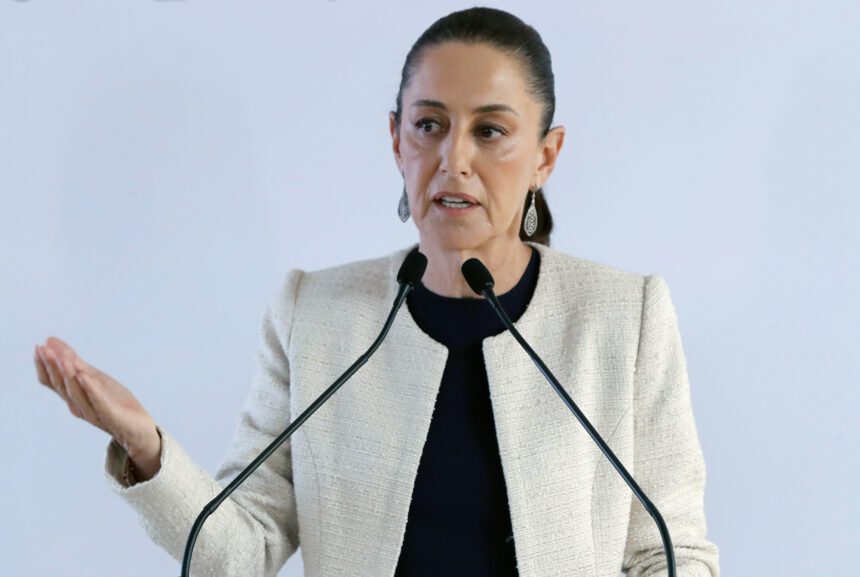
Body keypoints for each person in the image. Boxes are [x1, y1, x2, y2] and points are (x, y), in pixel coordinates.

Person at [33, 7, 720, 577]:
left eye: (490, 131)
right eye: (429, 125)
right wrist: (147, 448)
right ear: (397, 140)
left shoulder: (623, 318)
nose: (454, 158)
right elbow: (237, 550)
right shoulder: (315, 316)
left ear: (546, 154)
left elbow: (672, 554)